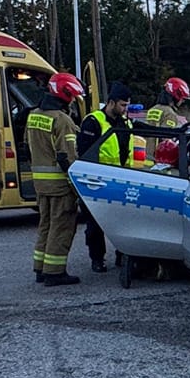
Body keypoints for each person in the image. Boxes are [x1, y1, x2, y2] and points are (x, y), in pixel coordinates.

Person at [28, 72, 86, 286]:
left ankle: (40, 268)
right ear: (66, 94)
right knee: (61, 227)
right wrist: (76, 186)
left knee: (45, 225)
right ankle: (54, 272)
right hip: (60, 184)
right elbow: (68, 157)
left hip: (40, 184)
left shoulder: (34, 115)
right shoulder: (62, 120)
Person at [77, 82, 134, 273]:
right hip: (97, 182)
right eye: (123, 105)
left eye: (127, 106)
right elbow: (85, 154)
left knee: (124, 223)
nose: (125, 109)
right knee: (95, 225)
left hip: (121, 181)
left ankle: (122, 255)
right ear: (111, 102)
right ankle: (97, 259)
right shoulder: (93, 121)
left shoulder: (124, 122)